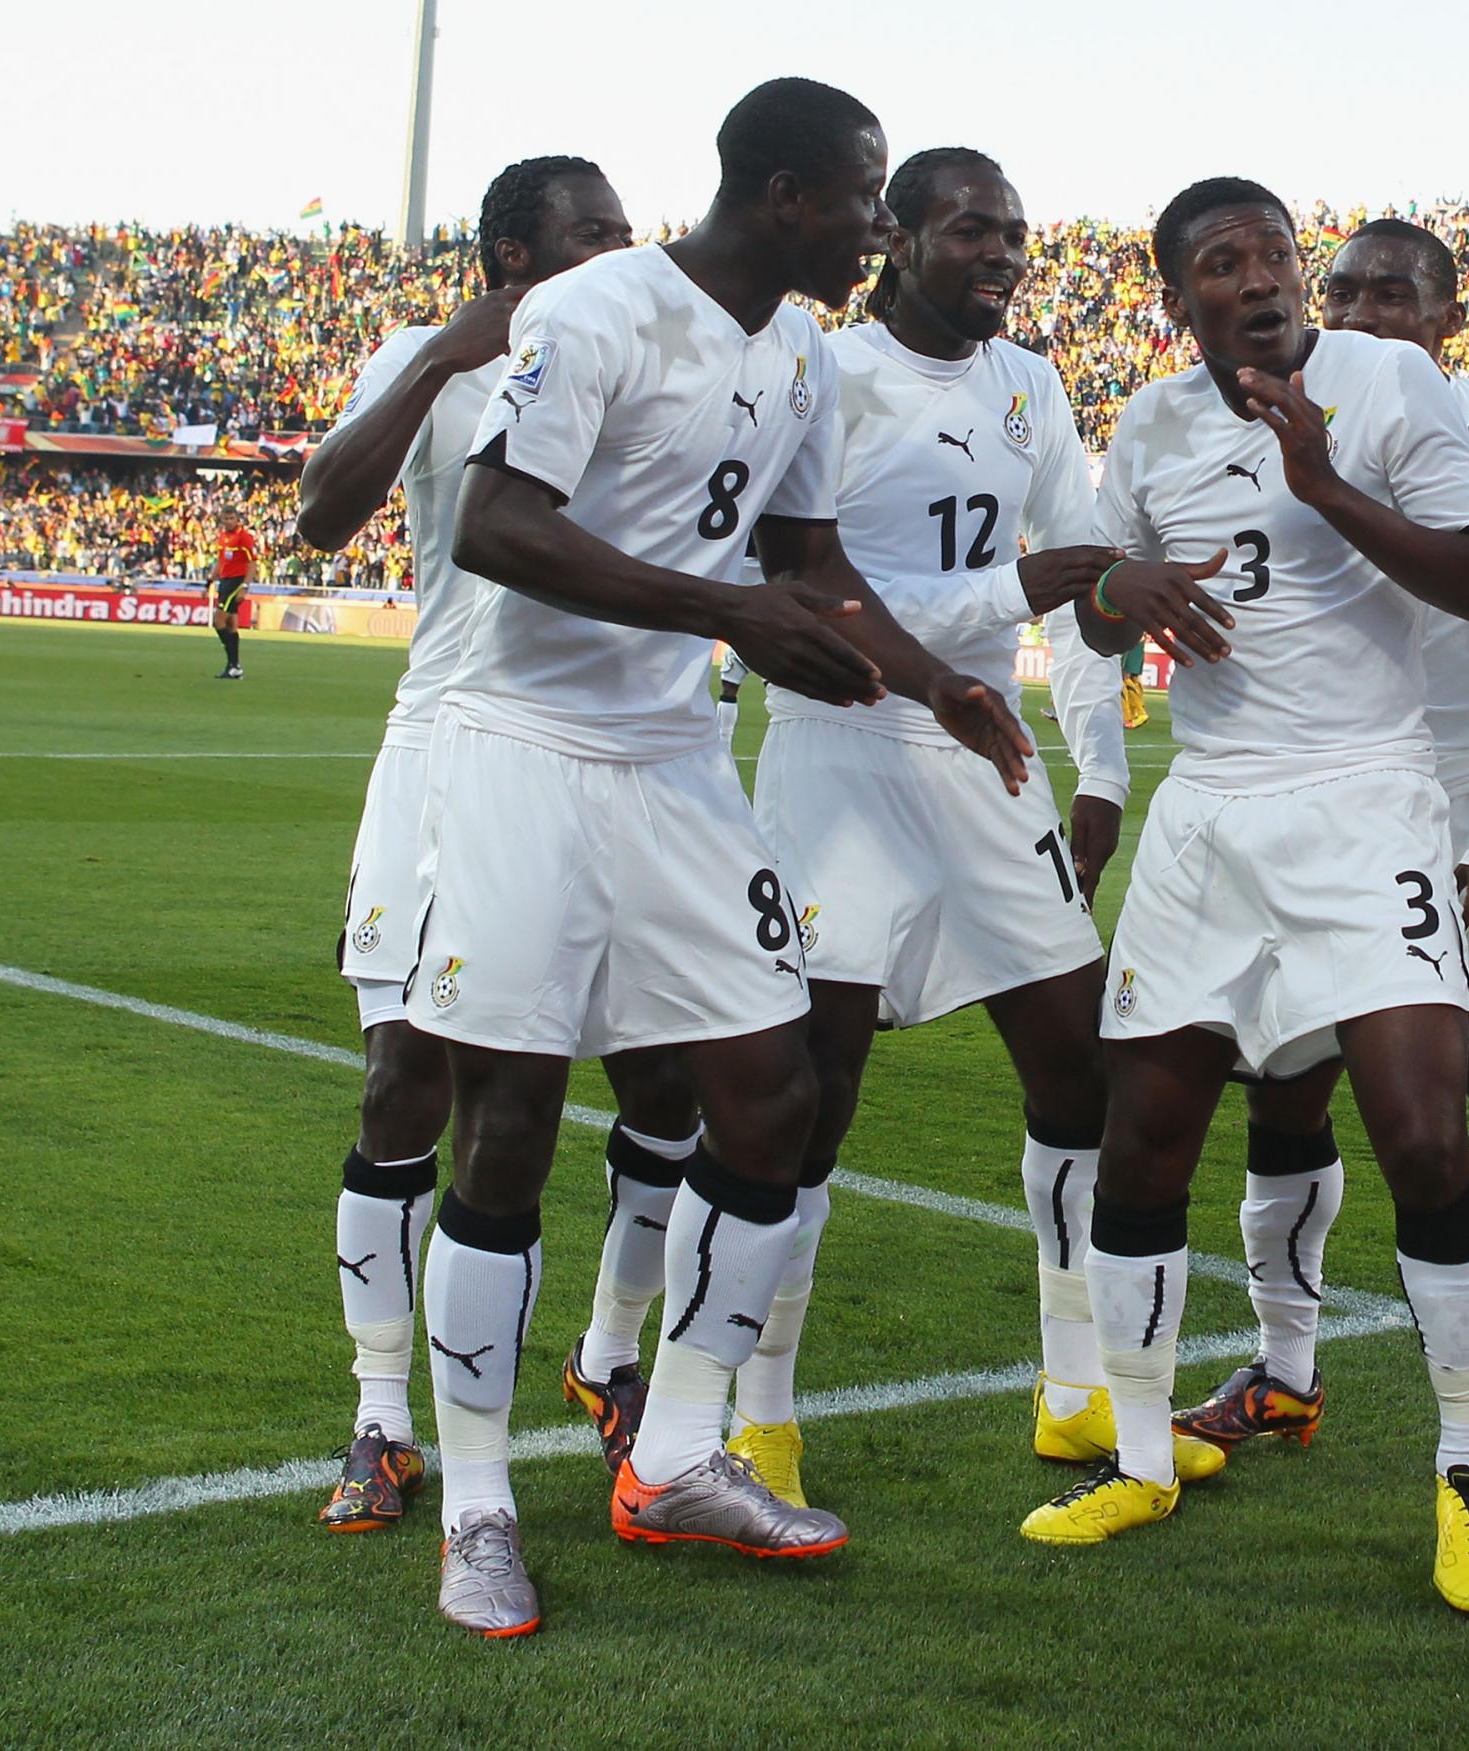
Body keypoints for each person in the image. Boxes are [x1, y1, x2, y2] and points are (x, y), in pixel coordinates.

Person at [418, 75, 1028, 1636]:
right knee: (509, 1116)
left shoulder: (805, 347)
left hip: (674, 759)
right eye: (864, 198)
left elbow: (809, 566)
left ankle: (677, 1450)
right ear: (781, 196)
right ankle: (479, 1507)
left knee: (770, 1096)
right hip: (525, 751)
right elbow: (494, 523)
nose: (878, 228)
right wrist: (723, 614)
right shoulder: (601, 308)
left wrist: (929, 676)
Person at [1020, 177, 1469, 1623]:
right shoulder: (1154, 424)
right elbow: (1094, 608)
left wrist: (1325, 489)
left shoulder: (1389, 382)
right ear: (1177, 297)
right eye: (1222, 266)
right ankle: (1134, 1449)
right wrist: (1128, 587)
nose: (1261, 282)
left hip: (1368, 798)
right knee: (1145, 1140)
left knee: (1428, 1137)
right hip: (1211, 812)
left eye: (1276, 258)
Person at [727, 146, 1225, 1502]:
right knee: (807, 1099)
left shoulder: (1031, 385)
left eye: (1014, 233)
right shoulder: (826, 373)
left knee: (1083, 1079)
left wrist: (1104, 769)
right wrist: (1008, 592)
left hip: (984, 753)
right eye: (971, 231)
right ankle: (757, 1411)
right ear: (897, 235)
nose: (1002, 253)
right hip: (845, 750)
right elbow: (817, 595)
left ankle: (1077, 1394)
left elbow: (1080, 596)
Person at [295, 155, 706, 1538]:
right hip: (450, 749)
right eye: (589, 233)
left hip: (637, 763)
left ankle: (609, 1357)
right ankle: (380, 1413)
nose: (619, 250)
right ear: (508, 257)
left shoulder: (669, 357)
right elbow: (319, 510)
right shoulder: (422, 356)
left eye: (624, 230)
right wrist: (436, 365)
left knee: (669, 1077)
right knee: (409, 1075)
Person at [1169, 218, 1469, 1476]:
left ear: (1446, 318)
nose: (1367, 312)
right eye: (1348, 291)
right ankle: (1283, 1368)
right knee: (1283, 1098)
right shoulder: (1280, 438)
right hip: (1338, 814)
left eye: (1399, 294)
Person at [209, 508, 254, 676]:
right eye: (226, 518)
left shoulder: (243, 537)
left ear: (237, 519)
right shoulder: (222, 537)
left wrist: (244, 587)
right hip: (224, 582)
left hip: (235, 582)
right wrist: (210, 581)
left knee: (218, 621)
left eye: (232, 518)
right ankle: (234, 667)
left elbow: (252, 564)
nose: (229, 521)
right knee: (231, 625)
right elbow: (220, 562)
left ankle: (234, 663)